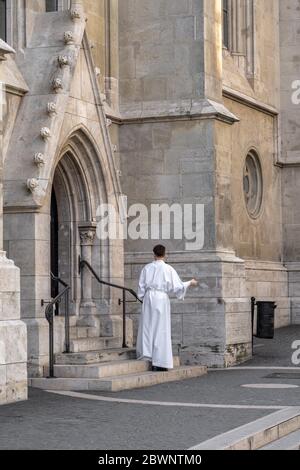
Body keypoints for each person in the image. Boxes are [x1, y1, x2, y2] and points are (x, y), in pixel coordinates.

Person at [136, 245, 198, 372]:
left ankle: (147, 354)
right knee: (161, 328)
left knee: (147, 327)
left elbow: (141, 288)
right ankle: (160, 361)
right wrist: (190, 282)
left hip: (149, 297)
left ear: (153, 254)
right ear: (165, 254)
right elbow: (178, 286)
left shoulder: (147, 268)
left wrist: (143, 297)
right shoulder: (168, 269)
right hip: (161, 298)